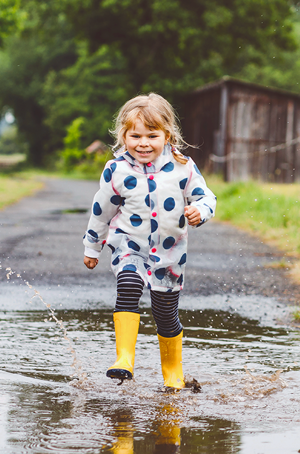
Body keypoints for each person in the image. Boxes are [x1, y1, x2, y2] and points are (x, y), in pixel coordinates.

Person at [83, 93, 216, 390]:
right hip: (129, 247)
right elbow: (101, 211)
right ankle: (124, 359)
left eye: (152, 135)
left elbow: (206, 196)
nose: (143, 143)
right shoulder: (117, 170)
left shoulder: (183, 167)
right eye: (135, 135)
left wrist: (200, 211)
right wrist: (93, 246)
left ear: (167, 135)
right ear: (124, 136)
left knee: (165, 313)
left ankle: (172, 373)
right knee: (128, 286)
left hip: (169, 256)